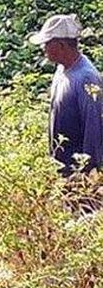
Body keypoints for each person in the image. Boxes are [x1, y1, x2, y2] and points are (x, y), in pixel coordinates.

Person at [29, 14, 103, 174]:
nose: (43, 48)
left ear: (61, 45)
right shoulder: (61, 70)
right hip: (62, 170)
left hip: (79, 177)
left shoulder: (86, 78)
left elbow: (93, 130)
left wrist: (87, 177)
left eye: (47, 43)